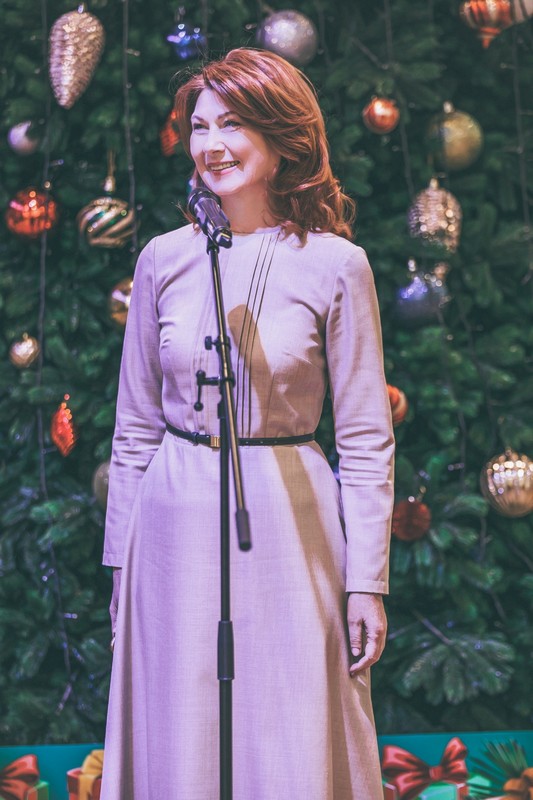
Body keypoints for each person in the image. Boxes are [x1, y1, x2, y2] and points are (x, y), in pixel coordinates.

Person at [100, 47, 395, 800]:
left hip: (290, 512)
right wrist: (120, 567)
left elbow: (366, 440)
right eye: (199, 127)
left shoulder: (336, 264)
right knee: (181, 727)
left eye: (231, 124)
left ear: (279, 136)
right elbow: (133, 431)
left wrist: (366, 583)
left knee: (290, 720)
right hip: (170, 521)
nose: (211, 144)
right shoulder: (161, 259)